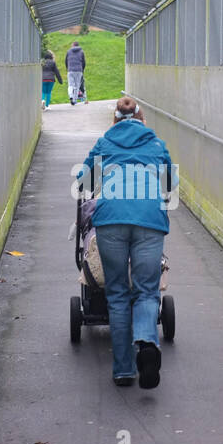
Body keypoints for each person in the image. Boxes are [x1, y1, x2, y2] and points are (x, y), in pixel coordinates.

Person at [79, 96, 175, 389]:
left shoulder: (105, 143)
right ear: (142, 120)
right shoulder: (157, 144)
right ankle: (146, 343)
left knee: (118, 294)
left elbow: (83, 182)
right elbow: (170, 185)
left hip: (111, 222)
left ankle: (123, 370)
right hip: (149, 220)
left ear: (115, 121)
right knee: (146, 291)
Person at [65, 41, 86, 106]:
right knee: (77, 86)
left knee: (70, 85)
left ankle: (71, 96)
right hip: (79, 71)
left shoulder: (68, 51)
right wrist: (82, 69)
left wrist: (68, 68)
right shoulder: (81, 52)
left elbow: (66, 61)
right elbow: (84, 62)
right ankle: (74, 100)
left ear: (73, 45)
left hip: (70, 70)